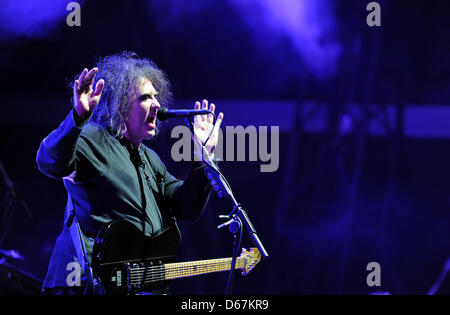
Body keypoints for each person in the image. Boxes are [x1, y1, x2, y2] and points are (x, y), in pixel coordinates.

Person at [36, 51, 224, 295]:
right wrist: (78, 117)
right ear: (121, 105)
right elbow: (49, 161)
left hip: (128, 287)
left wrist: (203, 160)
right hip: (82, 284)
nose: (157, 104)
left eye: (156, 96)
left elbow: (187, 208)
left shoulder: (150, 158)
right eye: (146, 97)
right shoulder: (94, 138)